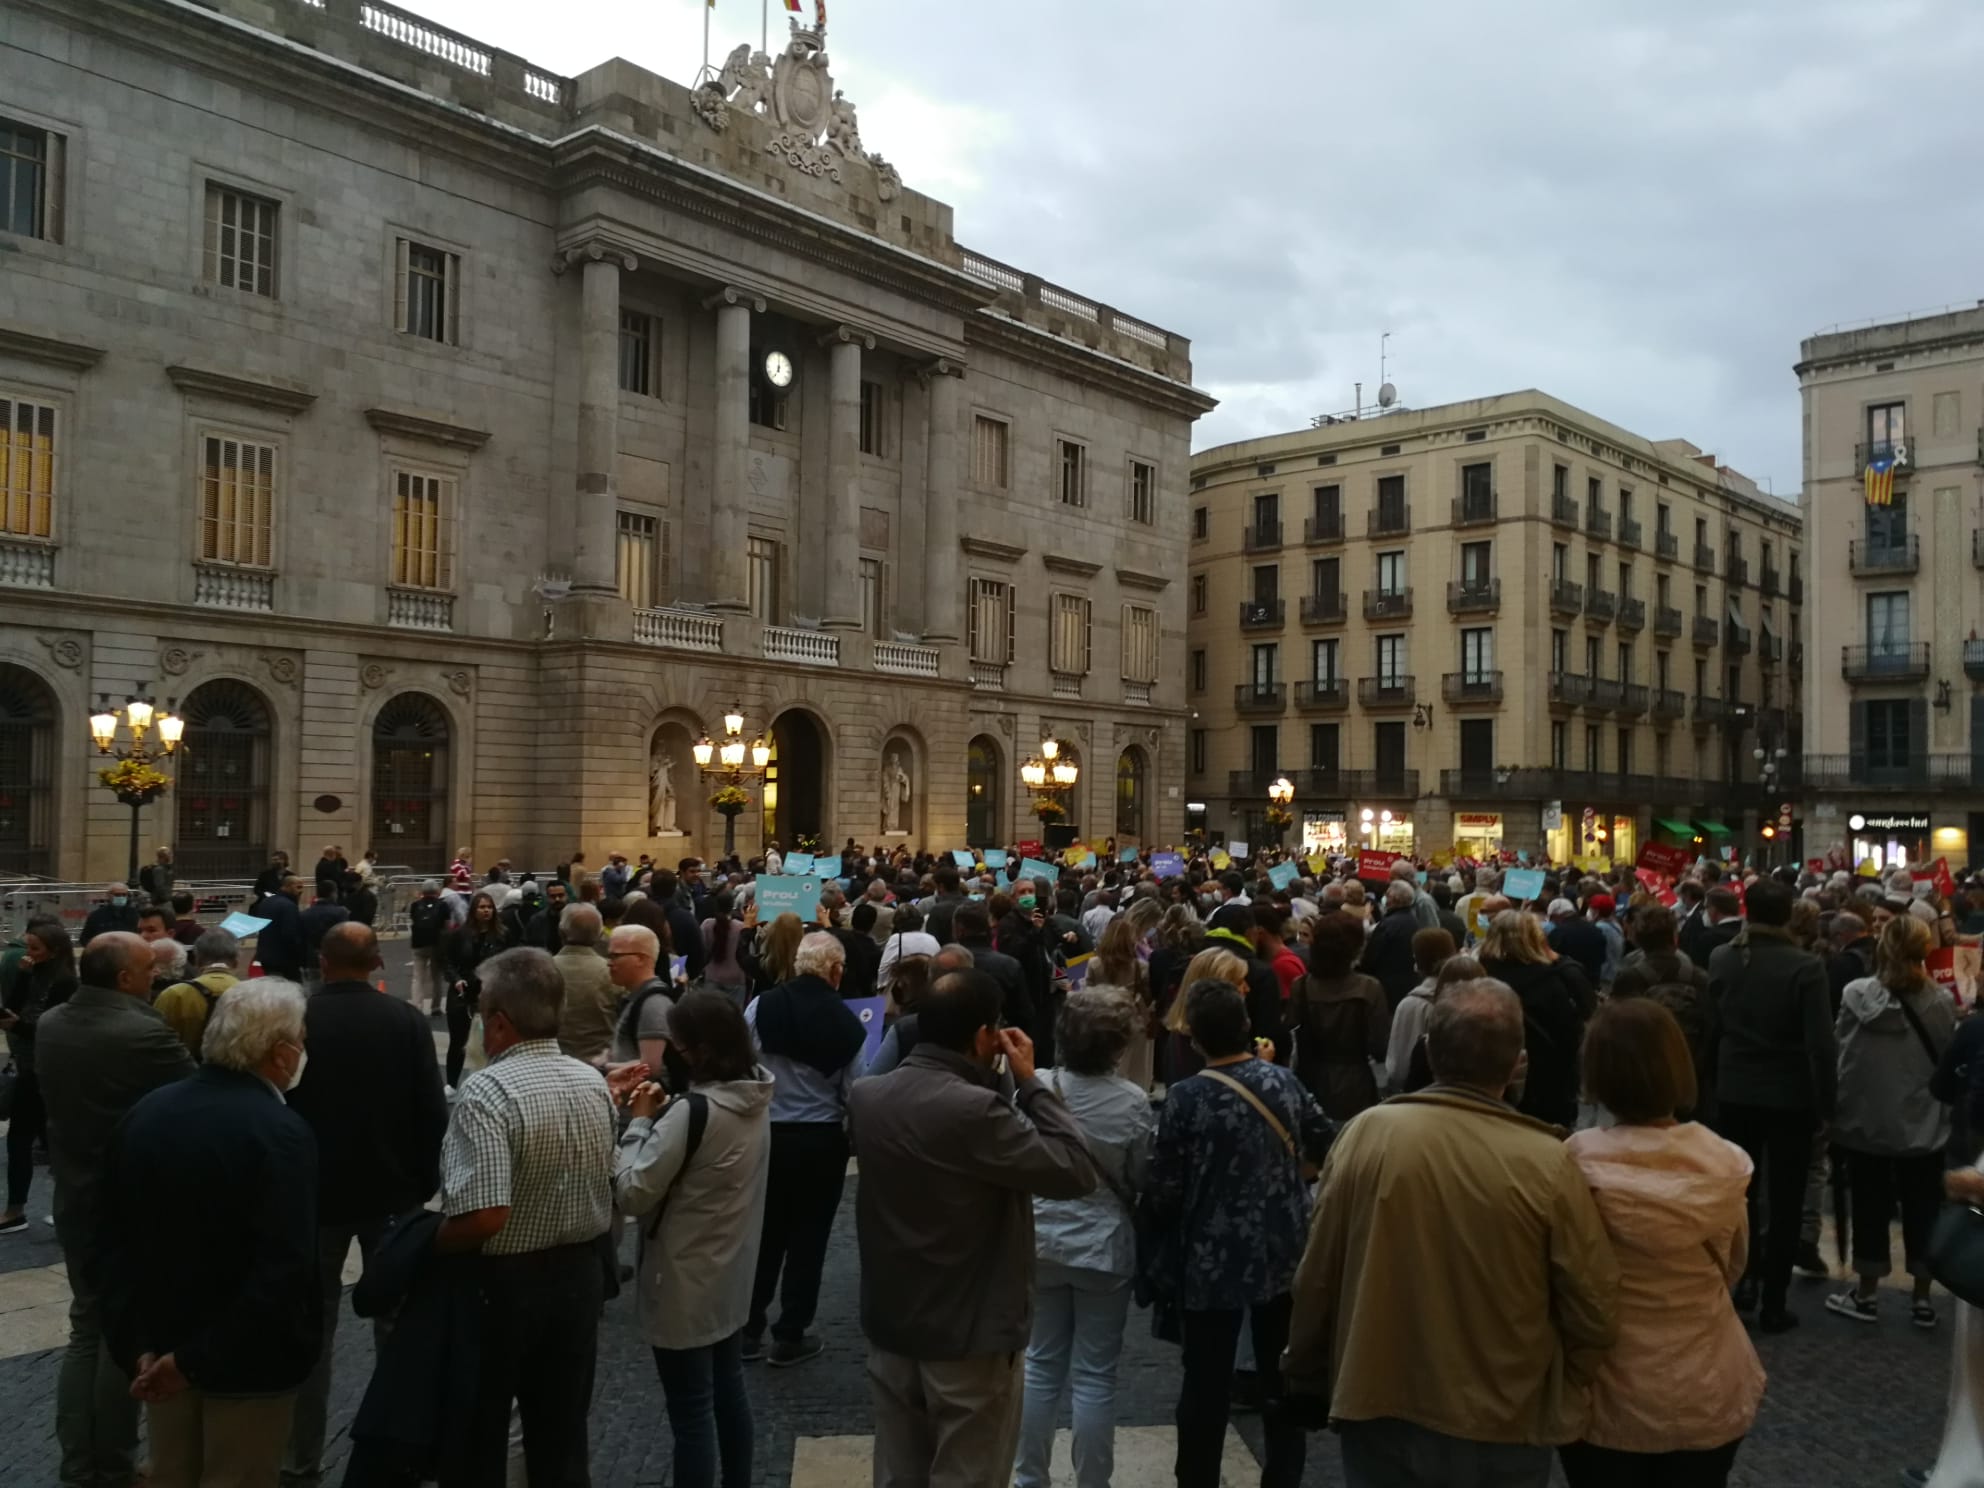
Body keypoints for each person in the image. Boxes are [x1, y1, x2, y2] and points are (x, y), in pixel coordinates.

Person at [1285, 979, 1620, 1488]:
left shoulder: (1366, 1135)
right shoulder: (1548, 1162)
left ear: (1428, 1051)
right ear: (1517, 1064)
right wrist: (1562, 1381)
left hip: (1381, 1398)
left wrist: (1306, 1368)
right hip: (1503, 1411)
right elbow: (1591, 1304)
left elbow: (1318, 1272)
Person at [849, 968, 1098, 1488]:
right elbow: (1075, 1170)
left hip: (893, 1323)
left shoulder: (867, 1097)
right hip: (970, 1332)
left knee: (897, 1473)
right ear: (985, 1035)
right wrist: (1031, 1083)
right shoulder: (976, 1110)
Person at [96, 979, 318, 1488]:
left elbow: (107, 1242)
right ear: (281, 1053)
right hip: (248, 1364)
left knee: (170, 1472)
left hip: (162, 1347)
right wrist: (193, 1362)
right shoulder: (280, 1133)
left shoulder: (146, 1113)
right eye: (302, 1040)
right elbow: (283, 1271)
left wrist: (137, 1347)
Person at [1558, 999, 1762, 1488]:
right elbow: (1732, 1266)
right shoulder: (1725, 1162)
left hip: (1606, 1389)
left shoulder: (1571, 1161)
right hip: (1708, 1381)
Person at [438, 947, 618, 1485]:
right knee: (563, 1435)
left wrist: (427, 1242)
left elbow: (488, 1212)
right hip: (579, 1276)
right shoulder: (592, 1082)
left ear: (497, 1023)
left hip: (504, 1285)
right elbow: (609, 1176)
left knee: (481, 1430)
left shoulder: (487, 1092)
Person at [1141, 979, 1332, 1488]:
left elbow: (1163, 1188)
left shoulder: (1185, 1099)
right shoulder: (1282, 1083)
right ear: (1246, 1028)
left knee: (1205, 1383)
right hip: (1282, 1246)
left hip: (1211, 1253)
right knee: (1280, 1374)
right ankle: (1283, 1475)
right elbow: (1327, 1138)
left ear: (1196, 1039)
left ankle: (1198, 1477)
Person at [281, 922, 448, 1488]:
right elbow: (431, 1110)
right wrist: (422, 1185)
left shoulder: (297, 1020)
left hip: (316, 1198)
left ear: (322, 964)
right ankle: (401, 1452)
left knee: (310, 1330)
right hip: (392, 1197)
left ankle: (298, 1459)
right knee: (398, 1331)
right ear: (377, 962)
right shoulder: (404, 1020)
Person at [35, 931, 196, 1488]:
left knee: (85, 1331)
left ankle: (78, 1462)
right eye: (149, 968)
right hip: (128, 1208)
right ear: (126, 978)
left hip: (73, 1194)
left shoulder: (52, 1023)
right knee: (120, 1337)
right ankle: (115, 1463)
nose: (156, 976)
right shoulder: (143, 1034)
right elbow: (195, 1094)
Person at [615, 991, 774, 1488]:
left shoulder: (694, 1112)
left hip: (683, 1277)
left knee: (691, 1414)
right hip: (730, 1270)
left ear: (696, 1051)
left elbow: (633, 1192)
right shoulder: (756, 1095)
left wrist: (640, 1122)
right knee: (728, 1393)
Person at [1017, 990, 1155, 1488]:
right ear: (1118, 1045)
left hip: (1040, 1237)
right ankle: (1092, 1481)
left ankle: (1029, 1477)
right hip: (1103, 1245)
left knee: (1039, 1366)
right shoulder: (1133, 1103)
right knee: (1095, 1376)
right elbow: (1139, 1176)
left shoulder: (1036, 1089)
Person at [1709, 876, 1834, 1331]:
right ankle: (1775, 1299)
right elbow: (1820, 1043)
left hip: (1735, 1089)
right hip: (1790, 1095)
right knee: (1785, 1200)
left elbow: (1715, 1023)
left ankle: (1744, 1279)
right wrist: (1827, 1103)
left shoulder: (1723, 958)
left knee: (1741, 1193)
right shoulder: (1805, 967)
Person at [743, 932, 866, 1366]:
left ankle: (748, 1326)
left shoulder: (762, 1006)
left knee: (764, 1233)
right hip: (819, 1140)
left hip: (768, 1133)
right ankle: (790, 1333)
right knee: (809, 1238)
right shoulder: (849, 1024)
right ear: (835, 971)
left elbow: (744, 1061)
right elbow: (855, 1093)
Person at [1827, 913, 1954, 1328]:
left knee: (1868, 1205)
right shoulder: (1940, 1002)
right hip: (1921, 1120)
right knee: (1923, 1208)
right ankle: (1922, 1298)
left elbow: (1841, 1052)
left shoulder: (1854, 994)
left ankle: (1866, 1293)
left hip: (1866, 1118)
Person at [1477, 909, 1592, 1130]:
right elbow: (1569, 1039)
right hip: (1545, 1087)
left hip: (1486, 1081)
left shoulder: (1478, 976)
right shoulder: (1554, 982)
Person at [0, 920, 76, 1234]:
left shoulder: (65, 982)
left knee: (54, 1143)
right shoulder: (32, 972)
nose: (28, 954)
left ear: (54, 951)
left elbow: (52, 1030)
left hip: (50, 1069)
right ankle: (16, 1210)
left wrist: (16, 1026)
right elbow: (14, 1007)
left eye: (35, 948)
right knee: (21, 1139)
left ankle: (64, 1209)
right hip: (29, 1065)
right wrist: (22, 975)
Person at [1608, 903, 1713, 1118]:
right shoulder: (1698, 976)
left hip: (1642, 1073)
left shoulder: (1630, 976)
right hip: (1689, 1069)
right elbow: (1712, 1026)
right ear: (1674, 935)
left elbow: (1616, 1028)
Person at [1289, 911, 1391, 1119]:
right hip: (1356, 1081)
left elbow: (1291, 1034)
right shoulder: (1368, 988)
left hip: (1309, 1078)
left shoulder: (1300, 987)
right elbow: (1380, 1047)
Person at [441, 889, 511, 1088]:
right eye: (482, 907)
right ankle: (452, 1084)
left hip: (491, 993)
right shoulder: (459, 935)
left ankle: (491, 1082)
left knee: (493, 1041)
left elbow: (508, 962)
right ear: (474, 910)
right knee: (458, 1041)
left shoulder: (502, 935)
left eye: (489, 907)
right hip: (462, 993)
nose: (486, 911)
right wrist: (456, 980)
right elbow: (448, 962)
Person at [1383, 928, 1454, 1093]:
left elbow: (1398, 1068)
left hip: (1417, 1093)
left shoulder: (1411, 1005)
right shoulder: (1467, 999)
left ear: (1418, 960)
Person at [152, 928, 241, 1060]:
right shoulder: (254, 996)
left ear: (197, 960)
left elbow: (157, 1044)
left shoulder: (173, 995)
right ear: (236, 961)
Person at [553, 903, 618, 1064]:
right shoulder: (612, 972)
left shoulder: (542, 970)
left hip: (555, 1061)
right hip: (602, 1061)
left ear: (561, 932)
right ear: (600, 933)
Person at [1358, 880, 1423, 1010]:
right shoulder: (1414, 921)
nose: (1385, 898)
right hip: (1408, 982)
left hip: (1386, 985)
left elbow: (1371, 957)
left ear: (1393, 899)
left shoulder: (1388, 925)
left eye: (1387, 895)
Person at [254, 875, 309, 981]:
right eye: (298, 887)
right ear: (287, 886)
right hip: (285, 959)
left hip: (266, 955)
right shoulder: (289, 906)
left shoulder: (266, 902)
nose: (301, 891)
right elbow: (290, 934)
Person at [406, 879, 450, 1014]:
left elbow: (413, 920)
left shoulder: (415, 905)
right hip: (436, 943)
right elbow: (447, 925)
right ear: (437, 891)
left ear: (422, 891)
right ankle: (435, 1006)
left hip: (418, 943)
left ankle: (416, 1005)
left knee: (418, 976)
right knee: (436, 976)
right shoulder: (443, 905)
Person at [1547, 897, 1607, 988]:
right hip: (1591, 985)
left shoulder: (1558, 933)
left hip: (1568, 987)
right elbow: (1602, 958)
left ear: (1556, 916)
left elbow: (1550, 962)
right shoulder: (1596, 930)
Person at [700, 890, 748, 1002]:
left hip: (712, 977)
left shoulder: (707, 925)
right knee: (733, 1016)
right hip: (736, 978)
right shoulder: (741, 927)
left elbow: (701, 949)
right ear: (732, 906)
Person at [298, 885, 351, 986]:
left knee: (313, 986)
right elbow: (345, 935)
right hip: (334, 957)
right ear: (333, 894)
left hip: (311, 958)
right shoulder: (340, 912)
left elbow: (301, 938)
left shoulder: (304, 914)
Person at [1687, 886, 1744, 973]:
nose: (1704, 912)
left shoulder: (1708, 938)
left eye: (1706, 907)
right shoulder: (1746, 933)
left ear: (1713, 909)